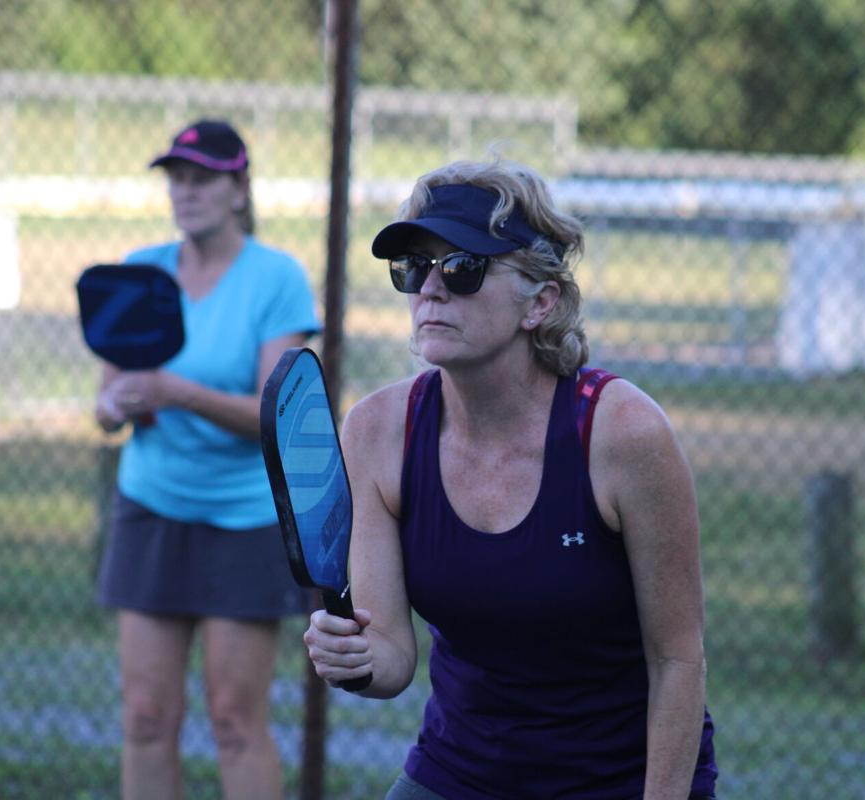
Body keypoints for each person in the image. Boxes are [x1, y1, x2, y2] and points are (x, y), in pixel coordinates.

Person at [303, 159, 718, 799]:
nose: (431, 289)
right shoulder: (376, 431)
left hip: (615, 782)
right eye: (414, 267)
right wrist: (353, 659)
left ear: (541, 302)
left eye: (463, 267)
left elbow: (677, 660)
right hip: (459, 772)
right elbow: (390, 658)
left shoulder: (622, 433)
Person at [93, 119, 319, 800]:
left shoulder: (276, 278)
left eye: (202, 179)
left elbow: (275, 417)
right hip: (152, 506)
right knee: (145, 715)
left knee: (234, 719)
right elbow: (106, 401)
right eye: (176, 179)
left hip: (245, 519)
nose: (185, 193)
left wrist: (174, 392)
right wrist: (117, 407)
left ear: (239, 188)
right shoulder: (140, 271)